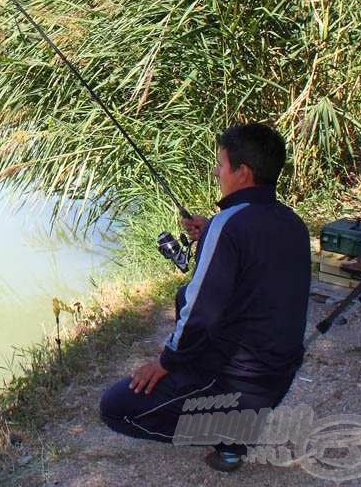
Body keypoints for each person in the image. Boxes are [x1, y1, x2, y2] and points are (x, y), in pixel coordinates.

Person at [99, 123, 311, 473]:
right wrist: (212, 229)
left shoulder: (227, 226)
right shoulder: (292, 223)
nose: (217, 171)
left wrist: (166, 362)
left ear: (242, 173)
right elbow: (252, 263)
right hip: (276, 380)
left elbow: (201, 314)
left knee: (115, 407)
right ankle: (235, 426)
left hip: (236, 382)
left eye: (221, 164)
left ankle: (230, 430)